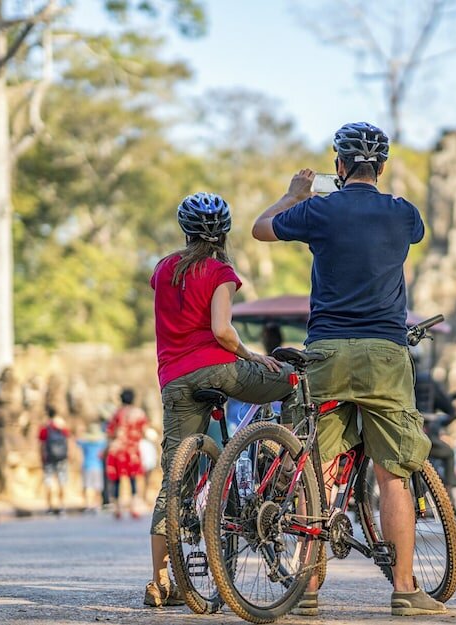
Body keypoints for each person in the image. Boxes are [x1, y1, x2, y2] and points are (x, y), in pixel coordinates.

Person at [253, 122, 445, 617]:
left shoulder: (317, 209)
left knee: (314, 471)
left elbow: (259, 228)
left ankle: (308, 587)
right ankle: (404, 588)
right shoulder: (404, 213)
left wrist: (293, 194)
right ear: (381, 168)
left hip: (328, 351)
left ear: (338, 166)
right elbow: (418, 235)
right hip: (385, 353)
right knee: (394, 475)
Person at [147, 192, 298, 608]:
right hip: (219, 368)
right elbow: (222, 330)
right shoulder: (220, 270)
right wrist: (252, 356)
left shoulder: (162, 269)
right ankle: (284, 455)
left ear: (186, 230)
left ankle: (159, 582)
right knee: (291, 380)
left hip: (174, 380)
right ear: (224, 233)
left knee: (174, 480)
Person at [414, 354, 456, 513]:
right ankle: (448, 495)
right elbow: (449, 408)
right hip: (426, 433)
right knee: (448, 453)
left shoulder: (398, 377)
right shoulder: (427, 380)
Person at [106, 389, 146, 522]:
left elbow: (110, 431)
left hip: (118, 449)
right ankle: (134, 506)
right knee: (133, 478)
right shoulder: (139, 413)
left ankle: (117, 508)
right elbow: (144, 430)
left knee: (117, 479)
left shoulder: (117, 413)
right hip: (133, 450)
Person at [38, 407, 70, 514]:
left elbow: (42, 444)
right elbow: (67, 440)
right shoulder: (61, 426)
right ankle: (62, 506)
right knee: (62, 481)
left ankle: (50, 506)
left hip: (49, 458)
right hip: (62, 457)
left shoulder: (45, 428)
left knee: (49, 481)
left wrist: (42, 456)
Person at [76, 422, 107, 513]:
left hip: (87, 465)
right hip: (98, 466)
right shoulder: (101, 442)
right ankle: (97, 505)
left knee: (88, 486)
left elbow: (77, 441)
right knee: (97, 487)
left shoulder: (85, 442)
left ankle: (88, 504)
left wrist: (80, 431)